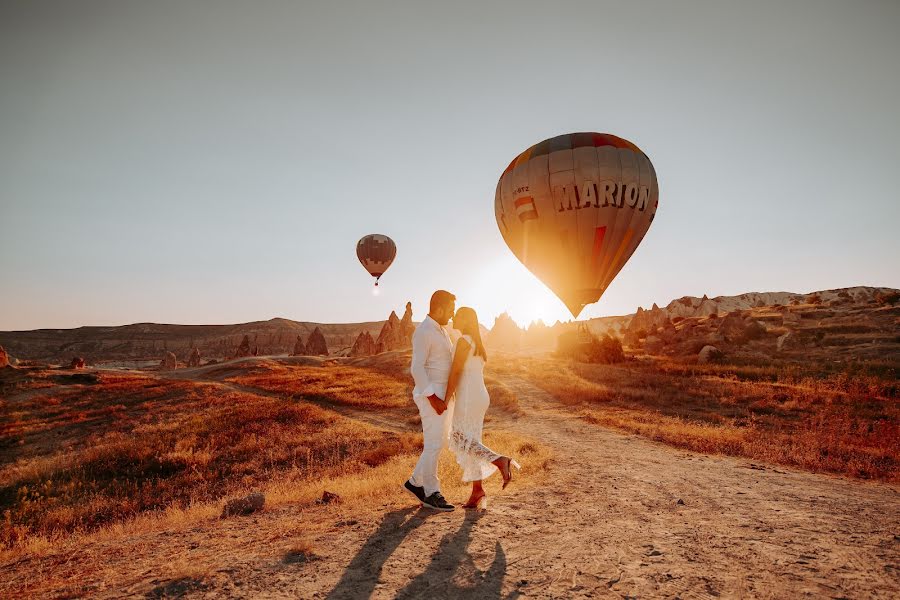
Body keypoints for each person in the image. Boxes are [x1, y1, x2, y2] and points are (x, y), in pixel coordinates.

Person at [445, 306, 520, 509]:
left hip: (468, 396)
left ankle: (500, 461)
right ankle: (477, 491)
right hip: (479, 395)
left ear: (467, 320)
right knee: (471, 441)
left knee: (460, 438)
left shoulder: (463, 341)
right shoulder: (477, 343)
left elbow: (456, 371)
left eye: (458, 315)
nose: (453, 317)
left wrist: (445, 398)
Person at [405, 290, 457, 511]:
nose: (452, 315)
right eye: (451, 310)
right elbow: (416, 367)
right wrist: (433, 397)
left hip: (442, 396)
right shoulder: (424, 331)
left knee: (439, 442)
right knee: (434, 444)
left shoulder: (442, 331)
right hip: (432, 397)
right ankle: (431, 492)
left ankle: (415, 483)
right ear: (440, 307)